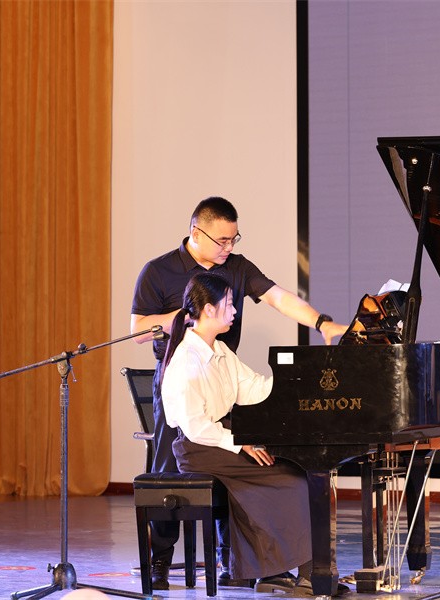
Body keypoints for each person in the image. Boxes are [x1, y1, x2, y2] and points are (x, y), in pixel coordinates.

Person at [130, 196, 348, 590]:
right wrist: (189, 312)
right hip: (184, 406)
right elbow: (138, 330)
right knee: (168, 473)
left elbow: (278, 298)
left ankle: (243, 564)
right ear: (196, 232)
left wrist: (320, 329)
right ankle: (160, 561)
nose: (228, 248)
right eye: (222, 241)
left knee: (260, 474)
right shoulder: (159, 273)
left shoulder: (235, 272)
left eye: (234, 239)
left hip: (219, 387)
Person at [160, 271, 316, 592]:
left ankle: (264, 570)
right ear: (209, 310)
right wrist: (240, 444)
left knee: (289, 470)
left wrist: (296, 382)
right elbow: (195, 426)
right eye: (229, 304)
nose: (234, 311)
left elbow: (254, 389)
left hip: (219, 441)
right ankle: (301, 573)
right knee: (290, 478)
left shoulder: (220, 351)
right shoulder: (186, 360)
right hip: (199, 448)